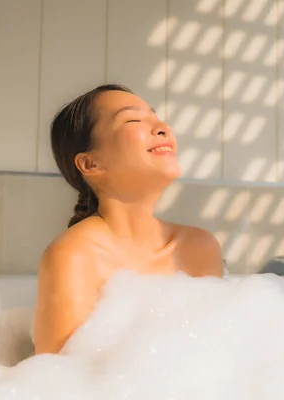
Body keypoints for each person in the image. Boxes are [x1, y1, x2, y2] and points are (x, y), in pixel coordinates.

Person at [33, 84, 223, 355]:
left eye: (156, 117)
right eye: (133, 119)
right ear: (91, 164)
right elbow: (53, 381)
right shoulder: (73, 257)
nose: (162, 127)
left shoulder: (199, 248)